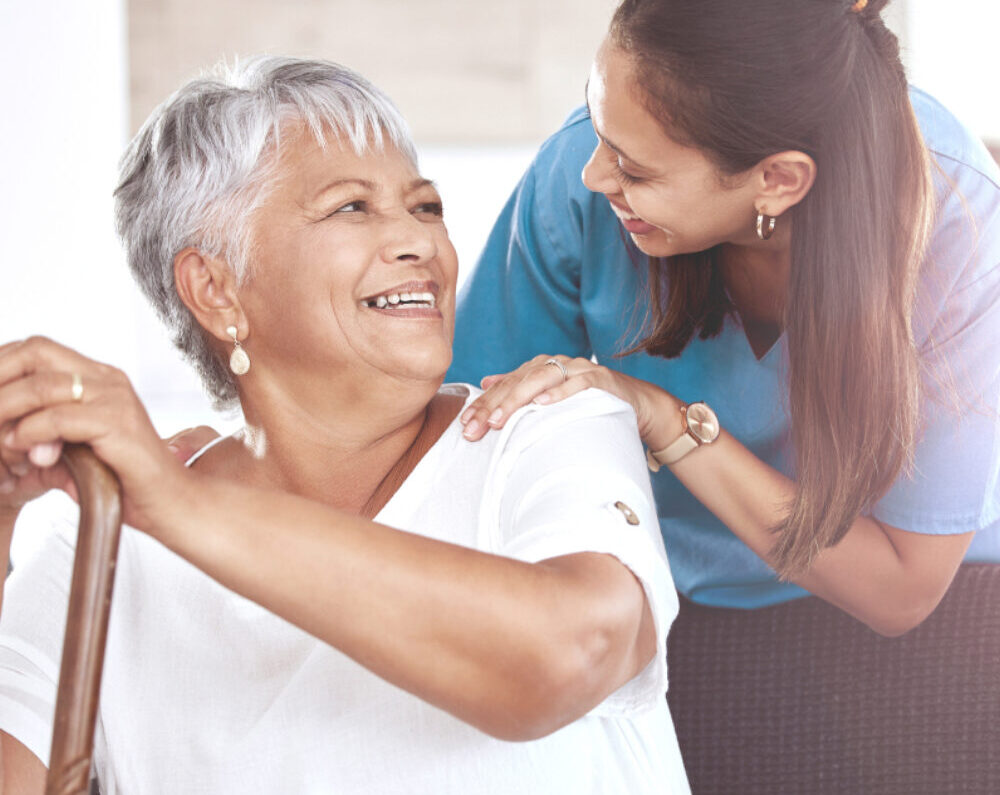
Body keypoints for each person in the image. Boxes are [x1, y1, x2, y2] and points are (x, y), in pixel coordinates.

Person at [0, 57, 690, 794]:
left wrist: (179, 504)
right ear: (217, 288)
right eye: (352, 208)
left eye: (425, 207)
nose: (420, 242)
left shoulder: (550, 424)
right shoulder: (96, 542)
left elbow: (571, 653)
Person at [452, 0, 1000, 635]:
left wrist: (665, 420)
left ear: (777, 180)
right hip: (651, 589)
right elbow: (477, 446)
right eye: (598, 131)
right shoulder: (584, 174)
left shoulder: (963, 222)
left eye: (632, 169)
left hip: (924, 614)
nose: (592, 173)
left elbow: (900, 588)